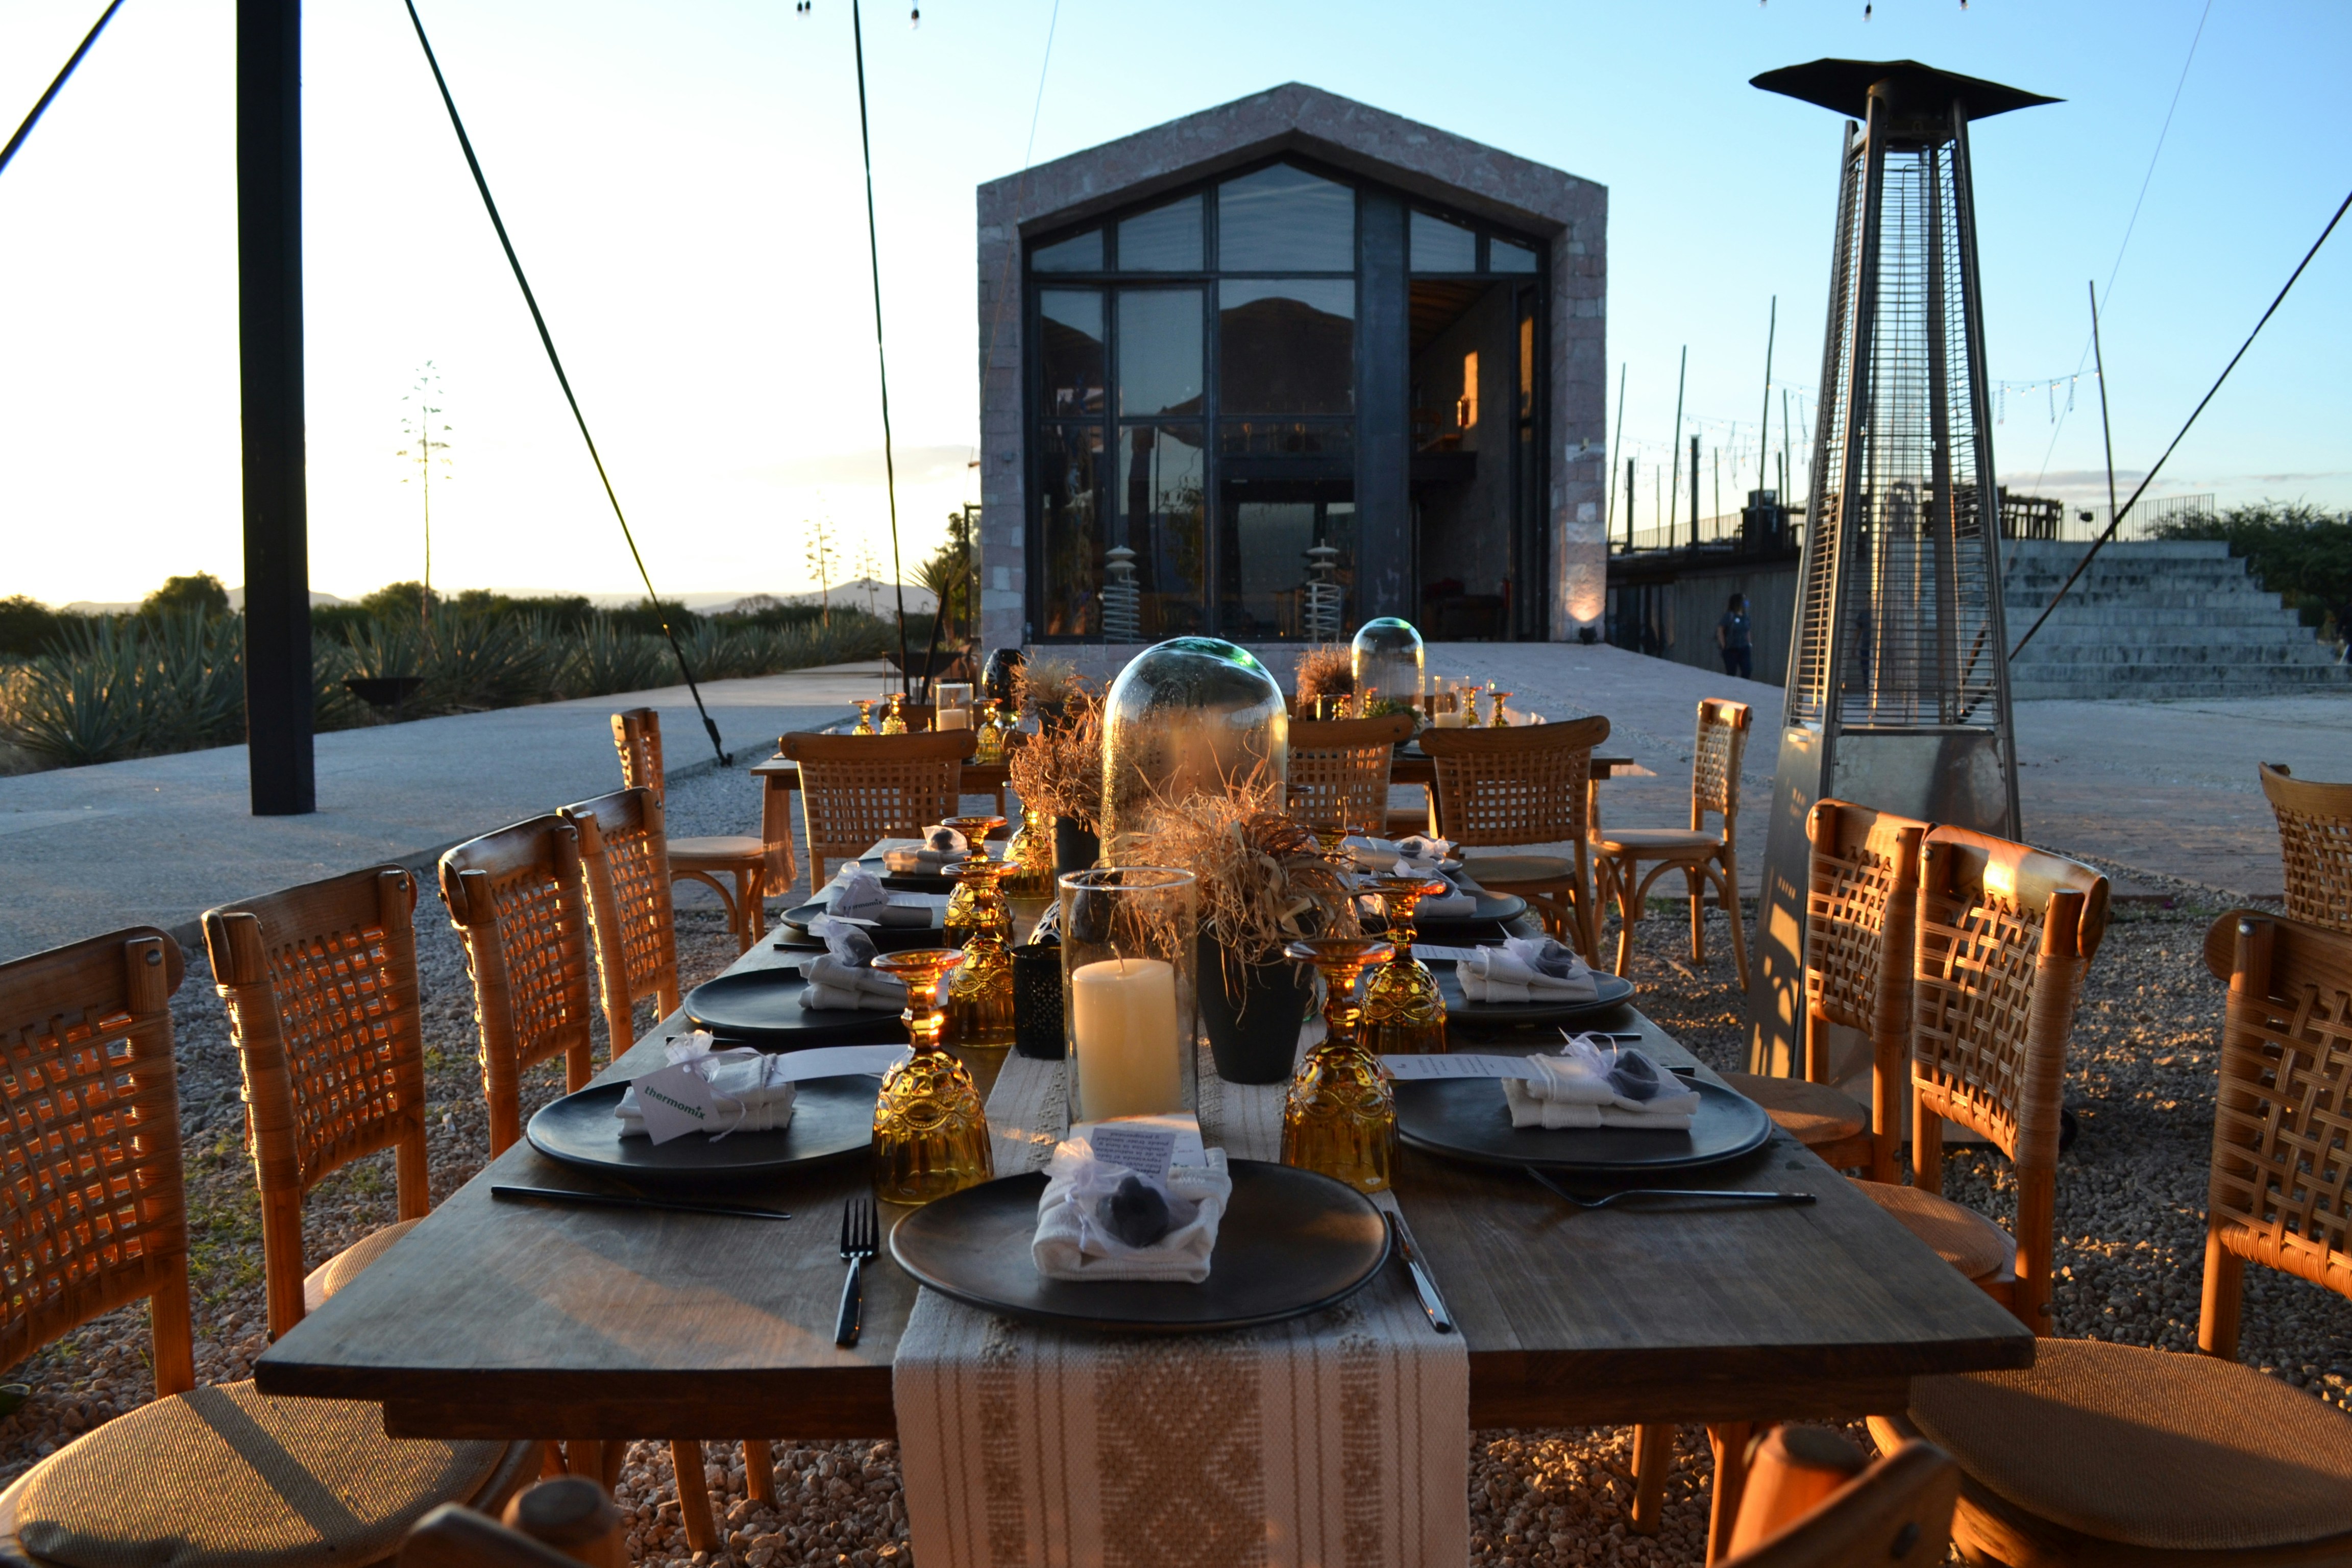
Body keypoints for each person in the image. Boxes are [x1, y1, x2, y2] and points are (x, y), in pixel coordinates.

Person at [1717, 593, 1752, 680]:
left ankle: (1743, 686)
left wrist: (1749, 643)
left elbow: (1747, 630)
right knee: (1731, 672)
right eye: (1744, 600)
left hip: (1744, 647)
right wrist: (1723, 645)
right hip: (1731, 649)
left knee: (1747, 670)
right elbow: (1720, 629)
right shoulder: (1730, 616)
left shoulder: (1746, 616)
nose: (1746, 602)